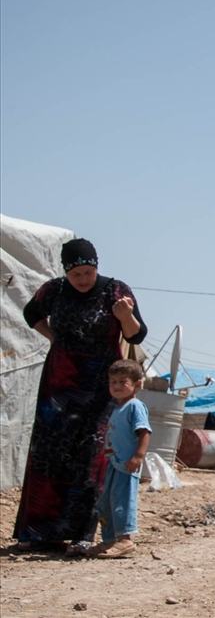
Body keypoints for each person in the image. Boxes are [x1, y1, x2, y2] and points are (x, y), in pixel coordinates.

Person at [14, 238, 148, 554]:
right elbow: (30, 312)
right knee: (49, 452)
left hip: (101, 384)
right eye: (76, 274)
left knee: (91, 455)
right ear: (66, 272)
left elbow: (137, 334)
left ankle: (83, 535)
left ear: (96, 266)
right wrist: (53, 337)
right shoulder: (54, 290)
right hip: (59, 386)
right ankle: (41, 533)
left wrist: (124, 315)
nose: (83, 279)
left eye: (88, 272)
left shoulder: (116, 291)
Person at [83, 359, 151, 559]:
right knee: (106, 502)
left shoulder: (135, 406)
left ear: (137, 384)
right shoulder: (117, 407)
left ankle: (125, 540)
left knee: (122, 501)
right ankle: (109, 540)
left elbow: (144, 432)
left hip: (127, 464)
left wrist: (138, 456)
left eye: (123, 381)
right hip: (114, 463)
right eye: (113, 382)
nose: (117, 386)